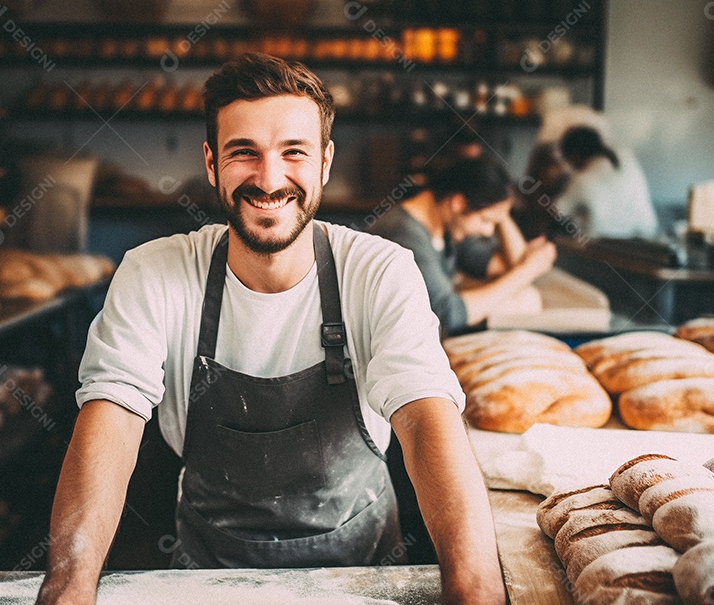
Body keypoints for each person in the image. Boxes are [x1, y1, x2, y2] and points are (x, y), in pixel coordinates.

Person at [35, 54, 505, 605]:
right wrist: (68, 588)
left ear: (325, 162)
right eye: (244, 153)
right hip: (206, 582)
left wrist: (476, 590)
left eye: (293, 153)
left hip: (365, 581)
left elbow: (429, 423)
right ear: (211, 163)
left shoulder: (380, 271)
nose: (269, 178)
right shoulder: (154, 273)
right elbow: (109, 423)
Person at [367, 156, 557, 337]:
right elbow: (445, 314)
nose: (489, 231)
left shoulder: (447, 226)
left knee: (526, 297)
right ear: (458, 203)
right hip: (397, 343)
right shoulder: (404, 233)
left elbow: (513, 262)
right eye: (485, 220)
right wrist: (528, 270)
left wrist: (501, 211)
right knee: (522, 301)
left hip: (431, 333)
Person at [555, 125, 658, 239]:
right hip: (649, 243)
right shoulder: (627, 159)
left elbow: (557, 210)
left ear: (574, 157)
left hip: (606, 249)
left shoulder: (582, 179)